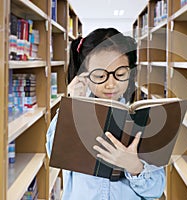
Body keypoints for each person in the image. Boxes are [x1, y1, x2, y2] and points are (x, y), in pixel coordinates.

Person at [46, 28, 165, 200]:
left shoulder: (143, 120)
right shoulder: (74, 112)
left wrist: (134, 166)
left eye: (120, 74)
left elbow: (156, 190)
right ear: (84, 75)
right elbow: (53, 152)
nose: (111, 84)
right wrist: (73, 104)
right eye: (100, 75)